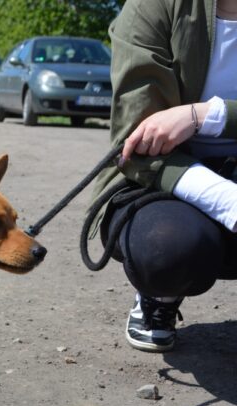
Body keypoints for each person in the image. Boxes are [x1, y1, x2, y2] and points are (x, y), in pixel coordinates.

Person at [90, 0, 237, 352]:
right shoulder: (152, 6)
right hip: (158, 175)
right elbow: (136, 143)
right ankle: (160, 298)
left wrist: (208, 115)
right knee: (169, 249)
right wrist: (228, 200)